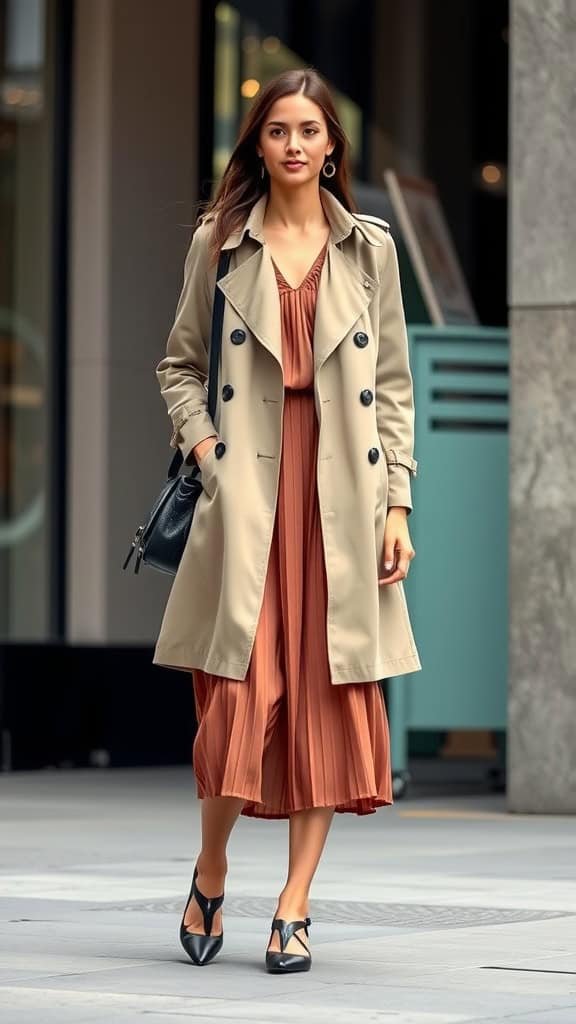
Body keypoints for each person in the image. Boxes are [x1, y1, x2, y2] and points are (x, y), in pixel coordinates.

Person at [153, 67, 421, 974]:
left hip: (343, 499)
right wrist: (207, 454)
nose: (296, 144)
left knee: (326, 704)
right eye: (278, 131)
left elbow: (392, 389)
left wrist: (399, 506)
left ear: (333, 145)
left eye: (310, 130)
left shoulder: (371, 251)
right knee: (238, 701)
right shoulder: (220, 245)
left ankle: (295, 905)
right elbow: (179, 367)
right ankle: (213, 867)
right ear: (259, 144)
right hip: (249, 500)